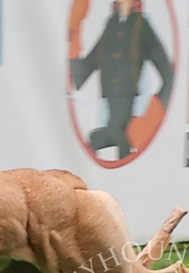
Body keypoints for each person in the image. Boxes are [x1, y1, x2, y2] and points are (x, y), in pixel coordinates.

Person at [70, 0, 173, 158]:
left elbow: (167, 72)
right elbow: (89, 63)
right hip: (109, 96)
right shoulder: (111, 24)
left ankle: (108, 146)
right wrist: (74, 32)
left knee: (118, 134)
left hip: (127, 96)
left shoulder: (140, 25)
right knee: (113, 134)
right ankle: (100, 143)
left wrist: (154, 112)